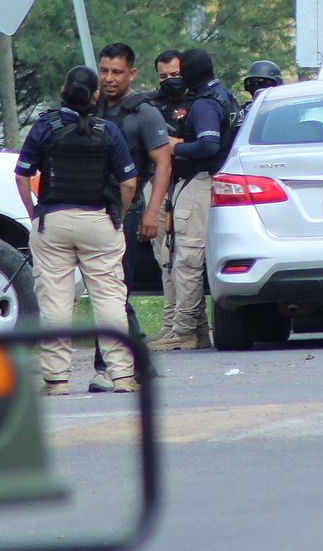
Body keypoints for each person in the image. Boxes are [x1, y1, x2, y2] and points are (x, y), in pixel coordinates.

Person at [14, 67, 139, 396]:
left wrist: (33, 213)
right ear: (96, 96)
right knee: (109, 298)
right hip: (98, 221)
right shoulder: (107, 131)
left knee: (55, 302)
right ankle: (123, 376)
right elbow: (128, 182)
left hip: (52, 221)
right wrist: (119, 215)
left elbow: (22, 175)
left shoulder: (44, 126)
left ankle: (57, 380)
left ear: (63, 89)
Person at [91, 42, 173, 391]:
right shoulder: (90, 105)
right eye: (104, 70)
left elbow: (163, 162)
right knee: (108, 291)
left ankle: (106, 366)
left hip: (128, 208)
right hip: (90, 209)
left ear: (132, 73)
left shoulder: (144, 112)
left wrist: (153, 211)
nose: (109, 79)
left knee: (113, 288)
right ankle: (136, 361)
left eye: (117, 72)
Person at [148, 47, 235, 352]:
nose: (177, 78)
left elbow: (209, 144)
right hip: (201, 182)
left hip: (200, 181)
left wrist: (176, 147)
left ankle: (182, 330)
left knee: (186, 258)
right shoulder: (222, 95)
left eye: (182, 71)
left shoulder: (204, 104)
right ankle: (195, 331)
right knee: (178, 257)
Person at [153, 49, 188, 138]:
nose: (169, 79)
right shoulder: (150, 103)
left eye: (174, 75)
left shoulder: (197, 101)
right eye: (163, 76)